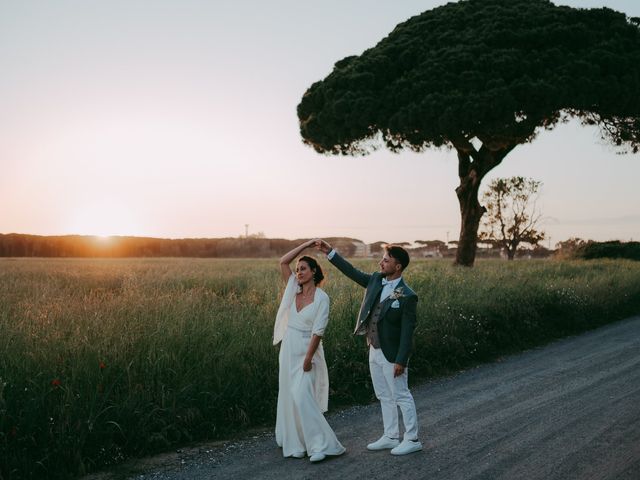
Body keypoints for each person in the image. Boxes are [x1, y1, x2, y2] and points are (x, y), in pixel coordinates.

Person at [316, 239, 422, 456]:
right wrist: (330, 253)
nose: (381, 263)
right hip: (374, 348)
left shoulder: (408, 296)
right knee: (383, 394)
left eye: (386, 260)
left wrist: (402, 360)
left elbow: (407, 333)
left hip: (393, 354)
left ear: (398, 266)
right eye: (382, 259)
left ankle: (412, 438)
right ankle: (391, 436)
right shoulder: (375, 281)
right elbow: (352, 272)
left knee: (401, 395)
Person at [273, 239, 345, 463]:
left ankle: (318, 446)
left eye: (303, 268)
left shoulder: (323, 298)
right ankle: (296, 443)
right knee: (289, 395)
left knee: (302, 395)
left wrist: (308, 357)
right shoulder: (293, 289)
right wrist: (305, 246)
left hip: (308, 349)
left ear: (314, 271)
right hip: (289, 348)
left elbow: (318, 331)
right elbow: (283, 261)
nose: (299, 272)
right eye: (298, 269)